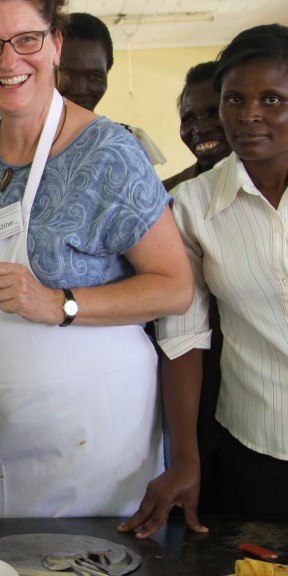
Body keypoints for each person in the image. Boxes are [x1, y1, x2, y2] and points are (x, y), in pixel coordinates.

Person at [0, 0, 193, 519]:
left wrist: (61, 303)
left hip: (93, 425)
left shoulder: (110, 152)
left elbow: (174, 287)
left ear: (55, 44)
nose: (8, 61)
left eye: (26, 40)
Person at [122, 23, 288, 538]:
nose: (249, 115)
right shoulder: (194, 205)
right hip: (257, 445)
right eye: (234, 99)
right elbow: (184, 337)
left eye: (273, 99)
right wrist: (185, 461)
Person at [161, 60, 231, 515]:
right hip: (191, 381)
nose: (201, 126)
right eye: (189, 116)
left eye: (213, 111)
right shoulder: (170, 196)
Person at [58, 12, 166, 165]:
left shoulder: (129, 141)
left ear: (107, 72)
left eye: (94, 76)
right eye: (67, 74)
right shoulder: (21, 141)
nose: (80, 89)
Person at [162, 61, 232, 191]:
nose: (201, 129)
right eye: (189, 119)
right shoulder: (164, 196)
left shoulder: (272, 187)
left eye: (214, 113)